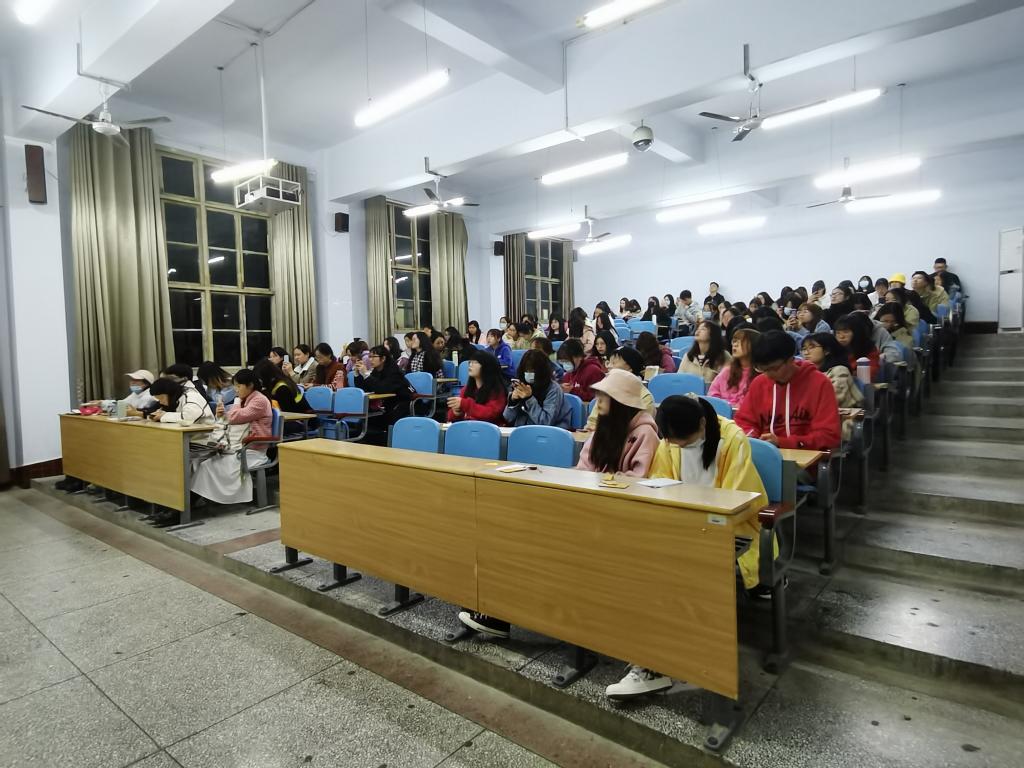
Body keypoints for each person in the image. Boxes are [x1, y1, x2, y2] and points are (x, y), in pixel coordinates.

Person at [605, 394, 768, 700]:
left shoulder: (733, 440)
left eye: (684, 441)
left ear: (703, 424)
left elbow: (737, 502)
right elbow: (660, 484)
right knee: (636, 562)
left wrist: (695, 529)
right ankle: (653, 659)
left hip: (729, 529)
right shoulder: (669, 442)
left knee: (676, 572)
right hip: (683, 529)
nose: (676, 446)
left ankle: (661, 664)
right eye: (672, 442)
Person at [735, 331, 841, 450]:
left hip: (807, 456)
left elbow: (828, 435)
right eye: (762, 369)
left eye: (774, 368)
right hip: (766, 454)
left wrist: (783, 442)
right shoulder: (759, 383)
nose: (768, 374)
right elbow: (744, 422)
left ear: (791, 359)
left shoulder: (819, 383)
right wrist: (753, 438)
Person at [189, 368, 274, 513]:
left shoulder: (259, 400)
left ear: (250, 385)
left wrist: (232, 405)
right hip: (240, 446)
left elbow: (235, 417)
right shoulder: (245, 399)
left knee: (208, 466)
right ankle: (192, 502)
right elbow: (232, 417)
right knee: (200, 462)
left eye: (239, 386)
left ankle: (189, 506)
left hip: (252, 450)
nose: (236, 389)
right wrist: (223, 413)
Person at [576, 369, 659, 476]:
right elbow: (584, 467)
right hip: (596, 486)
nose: (598, 400)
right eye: (598, 394)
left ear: (620, 402)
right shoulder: (603, 428)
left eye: (604, 395)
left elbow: (640, 476)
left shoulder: (645, 434)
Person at [582, 347, 654, 431]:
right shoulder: (606, 392)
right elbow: (593, 421)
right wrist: (591, 429)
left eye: (614, 363)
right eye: (608, 362)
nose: (609, 366)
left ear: (629, 368)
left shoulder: (644, 397)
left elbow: (640, 429)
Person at [353, 345, 414, 440]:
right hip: (388, 403)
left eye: (374, 357)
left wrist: (366, 374)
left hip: (403, 403)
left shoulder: (393, 371)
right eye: (369, 356)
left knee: (383, 420)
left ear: (383, 358)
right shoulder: (377, 370)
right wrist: (357, 374)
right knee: (362, 423)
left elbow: (381, 389)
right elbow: (366, 388)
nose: (370, 359)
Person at [503, 350, 572, 428]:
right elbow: (507, 418)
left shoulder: (553, 389)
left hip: (549, 432)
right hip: (523, 430)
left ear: (541, 371)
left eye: (532, 371)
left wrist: (529, 399)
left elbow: (546, 422)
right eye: (526, 370)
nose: (529, 373)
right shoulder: (521, 385)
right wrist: (513, 402)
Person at [253, 358, 315, 436]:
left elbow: (287, 413)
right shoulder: (275, 384)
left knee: (267, 427)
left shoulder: (282, 388)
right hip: (291, 420)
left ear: (266, 376)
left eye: (260, 379)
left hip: (303, 422)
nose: (260, 382)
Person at [446, 352, 507, 425]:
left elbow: (491, 414)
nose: (470, 365)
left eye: (475, 362)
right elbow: (452, 417)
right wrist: (456, 413)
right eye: (470, 362)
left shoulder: (497, 391)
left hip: (490, 429)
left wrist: (466, 405)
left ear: (487, 367)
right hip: (468, 428)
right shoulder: (466, 390)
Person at [707, 327, 760, 409]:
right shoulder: (727, 371)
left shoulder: (760, 375)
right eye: (734, 341)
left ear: (753, 345)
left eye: (740, 341)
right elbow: (712, 394)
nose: (735, 345)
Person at [148, 377, 214, 426]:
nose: (161, 402)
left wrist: (164, 416)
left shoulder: (191, 396)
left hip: (204, 436)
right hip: (188, 435)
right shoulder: (176, 399)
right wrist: (161, 414)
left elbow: (189, 418)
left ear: (170, 393)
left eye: (161, 398)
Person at [556, 338, 606, 403]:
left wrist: (572, 391)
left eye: (567, 361)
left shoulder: (593, 371)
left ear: (579, 356)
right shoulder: (568, 374)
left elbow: (598, 398)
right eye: (562, 362)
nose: (565, 365)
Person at [834, 314, 880, 380]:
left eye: (846, 332)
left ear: (857, 333)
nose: (841, 336)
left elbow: (868, 374)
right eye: (838, 333)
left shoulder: (868, 349)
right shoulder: (833, 350)